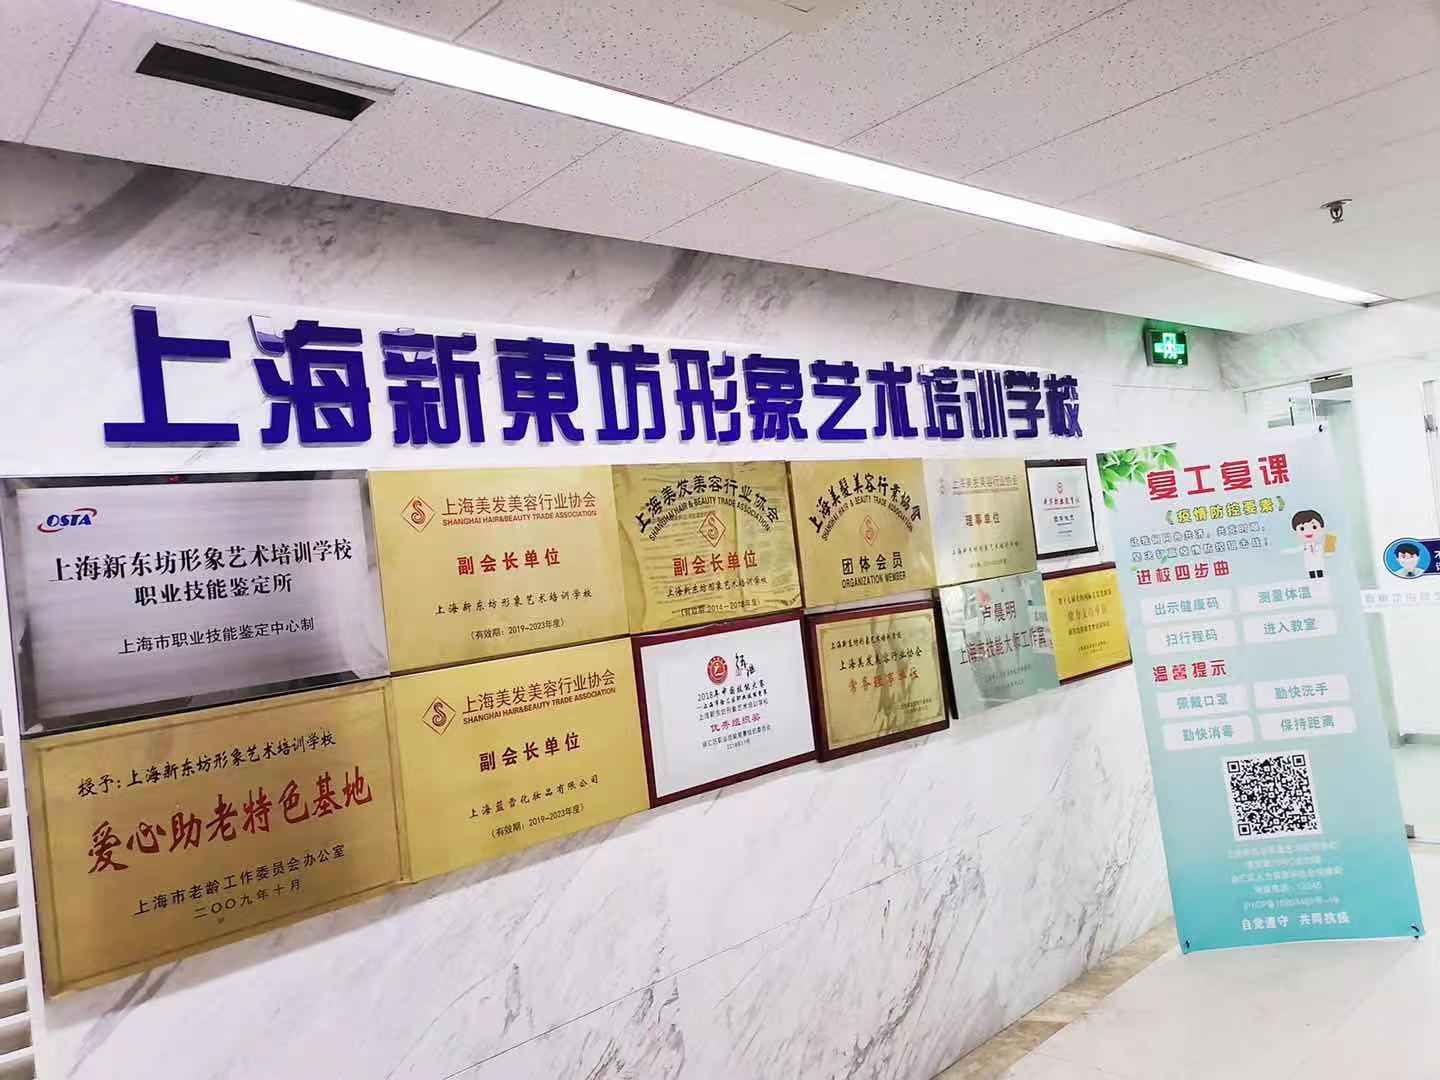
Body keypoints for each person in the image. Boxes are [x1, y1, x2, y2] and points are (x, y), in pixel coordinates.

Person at [1288, 510, 1332, 580]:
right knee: (1311, 572)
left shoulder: (1320, 545)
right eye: (1302, 528)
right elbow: (1296, 549)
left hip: (1319, 563)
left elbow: (1328, 552)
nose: (1308, 531)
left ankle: (1321, 579)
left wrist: (1329, 548)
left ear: (1322, 528)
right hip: (1310, 564)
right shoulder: (1305, 546)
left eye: (1314, 527)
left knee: (1320, 572)